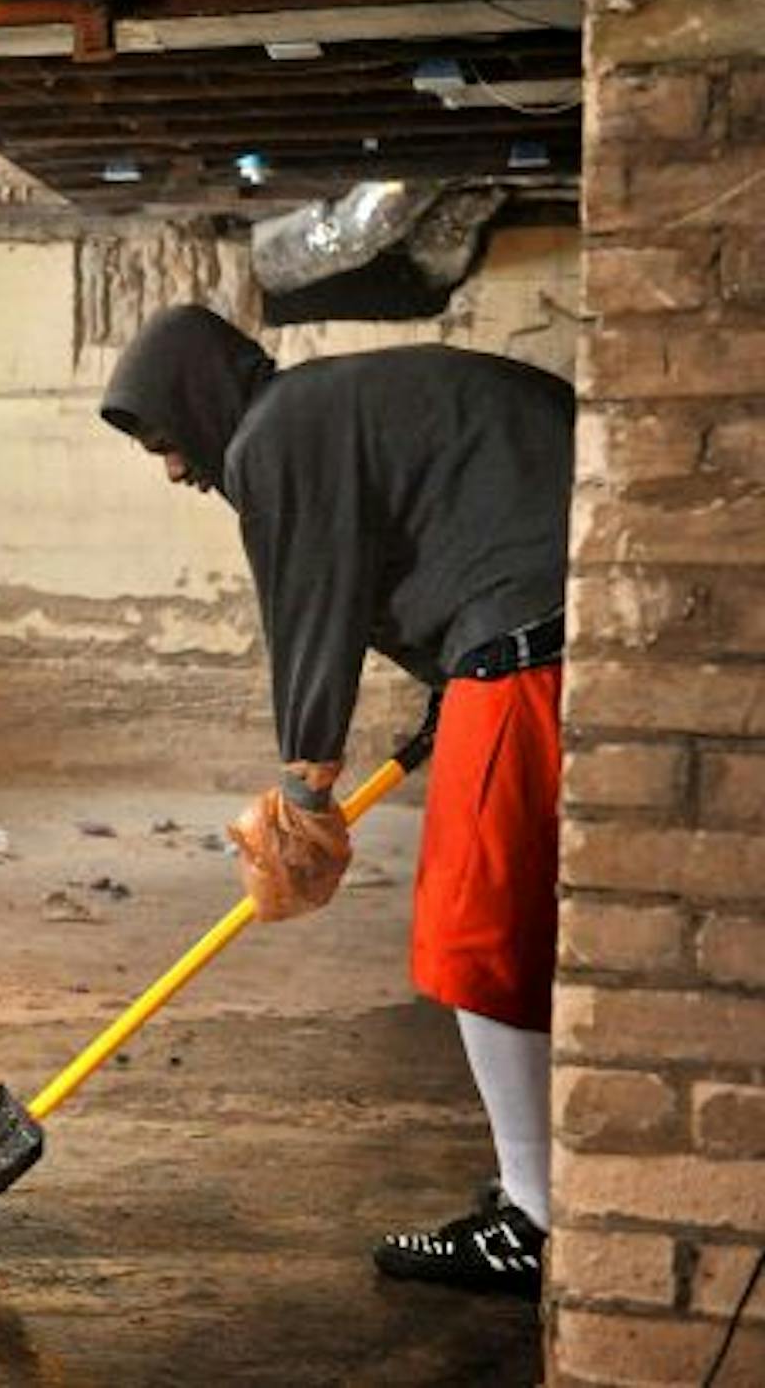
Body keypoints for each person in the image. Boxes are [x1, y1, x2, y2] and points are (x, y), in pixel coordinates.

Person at [97, 305, 572, 1298]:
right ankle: (546, 1178)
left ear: (200, 404)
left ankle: (535, 1221)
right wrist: (452, 682)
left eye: (168, 444)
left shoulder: (277, 435)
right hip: (539, 622)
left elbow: (315, 608)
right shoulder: (324, 408)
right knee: (519, 922)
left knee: (473, 929)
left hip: (528, 640)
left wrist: (301, 789)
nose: (177, 471)